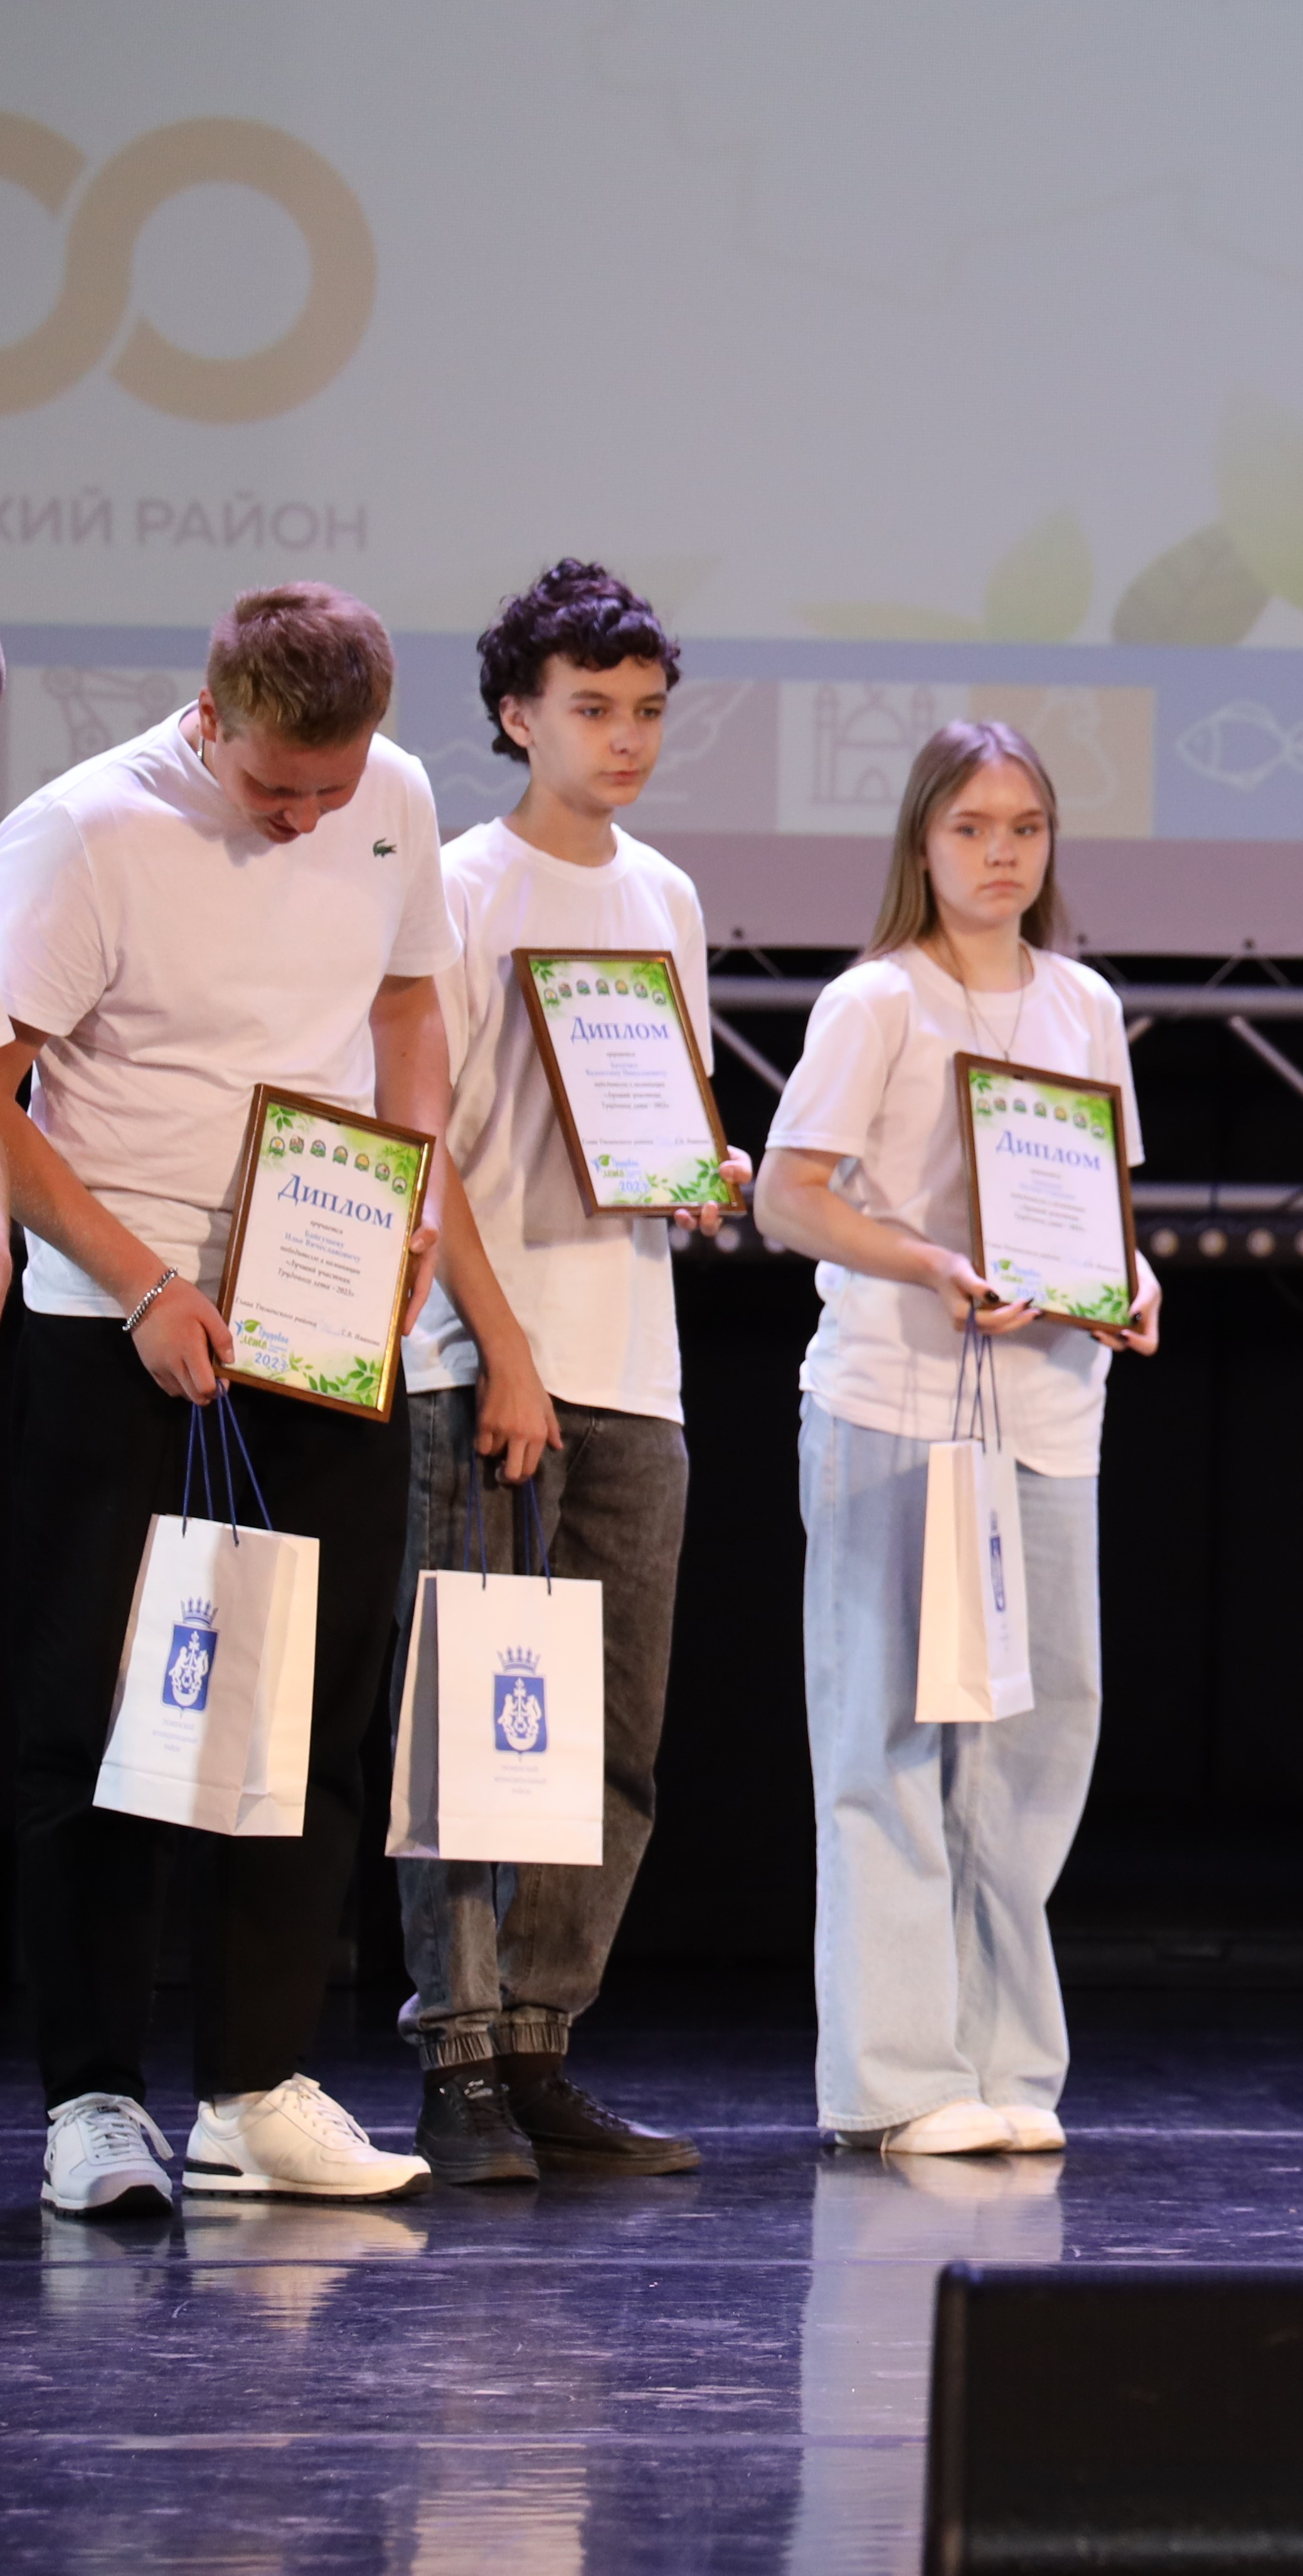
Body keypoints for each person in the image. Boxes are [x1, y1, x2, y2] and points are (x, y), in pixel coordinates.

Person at [2, 582, 457, 2212]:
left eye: (336, 787)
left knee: (308, 1707)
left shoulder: (392, 796)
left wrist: (413, 1184)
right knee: (96, 1713)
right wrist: (142, 1283)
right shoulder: (84, 833)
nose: (309, 815)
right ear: (210, 718)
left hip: (315, 1312)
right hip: (115, 1322)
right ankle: (95, 2098)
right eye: (278, 785)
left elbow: (408, 1002)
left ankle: (257, 2084)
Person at [388, 560, 747, 2185]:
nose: (626, 738)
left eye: (648, 710)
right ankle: (458, 2058)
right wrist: (504, 1352)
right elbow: (428, 1146)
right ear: (516, 715)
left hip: (636, 1366)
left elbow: (656, 1117)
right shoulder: (460, 888)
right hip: (489, 1362)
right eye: (593, 708)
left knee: (609, 1736)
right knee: (480, 1723)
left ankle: (541, 2047)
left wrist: (704, 1170)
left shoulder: (664, 897)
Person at [755, 720, 1157, 2158]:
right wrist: (925, 1260)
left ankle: (1004, 2068)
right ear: (922, 843)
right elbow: (787, 1195)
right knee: (891, 1735)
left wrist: (1133, 1284)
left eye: (1025, 829)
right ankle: (899, 2078)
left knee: (1035, 1741)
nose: (1001, 855)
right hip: (898, 1411)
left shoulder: (1083, 1004)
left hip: (1048, 1414)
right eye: (972, 828)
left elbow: (1096, 1210)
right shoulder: (878, 1001)